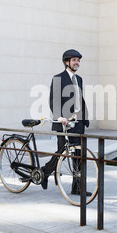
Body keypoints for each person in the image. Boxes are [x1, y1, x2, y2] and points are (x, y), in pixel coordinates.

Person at [41, 49, 89, 190]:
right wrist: (59, 117)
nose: (77, 63)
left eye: (78, 60)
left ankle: (77, 187)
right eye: (74, 60)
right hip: (63, 122)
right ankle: (45, 172)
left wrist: (83, 116)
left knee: (79, 154)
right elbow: (53, 100)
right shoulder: (58, 78)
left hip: (77, 121)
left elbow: (79, 99)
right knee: (61, 152)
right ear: (66, 62)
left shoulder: (79, 79)